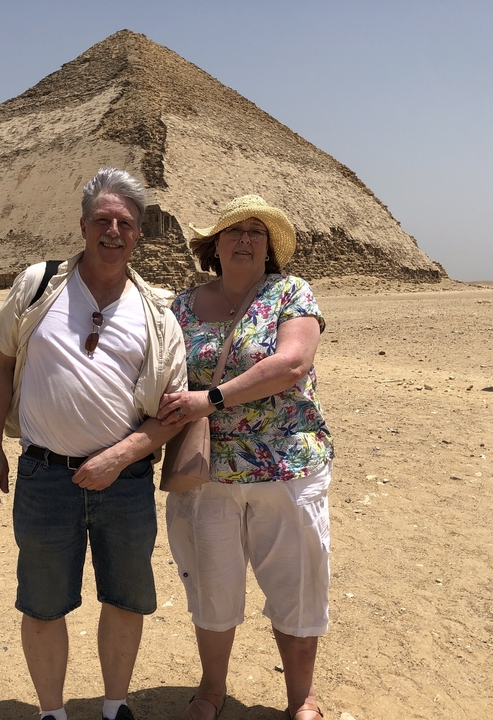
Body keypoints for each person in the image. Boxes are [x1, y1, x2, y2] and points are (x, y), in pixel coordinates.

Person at [0, 167, 188, 720]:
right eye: (102, 220)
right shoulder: (38, 285)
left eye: (125, 223)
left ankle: (115, 707)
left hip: (126, 480)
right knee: (43, 605)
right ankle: (52, 713)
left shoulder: (158, 313)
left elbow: (171, 412)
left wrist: (120, 456)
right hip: (45, 476)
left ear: (139, 233)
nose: (113, 231)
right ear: (83, 225)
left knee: (125, 599)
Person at [156, 195, 334, 720]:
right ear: (214, 245)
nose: (245, 239)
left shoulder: (291, 292)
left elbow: (293, 362)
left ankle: (302, 698)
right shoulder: (181, 306)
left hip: (287, 465)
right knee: (212, 586)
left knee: (297, 586)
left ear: (269, 247)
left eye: (257, 231)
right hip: (206, 471)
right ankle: (211, 691)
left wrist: (209, 399)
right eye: (234, 230)